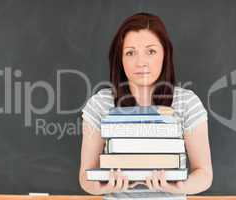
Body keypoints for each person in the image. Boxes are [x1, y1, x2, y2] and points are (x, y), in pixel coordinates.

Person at [79, 12, 213, 197]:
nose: (141, 62)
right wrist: (103, 187)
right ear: (120, 59)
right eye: (130, 52)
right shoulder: (100, 104)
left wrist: (181, 187)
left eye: (151, 51)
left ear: (165, 53)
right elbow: (85, 177)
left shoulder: (186, 103)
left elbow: (204, 174)